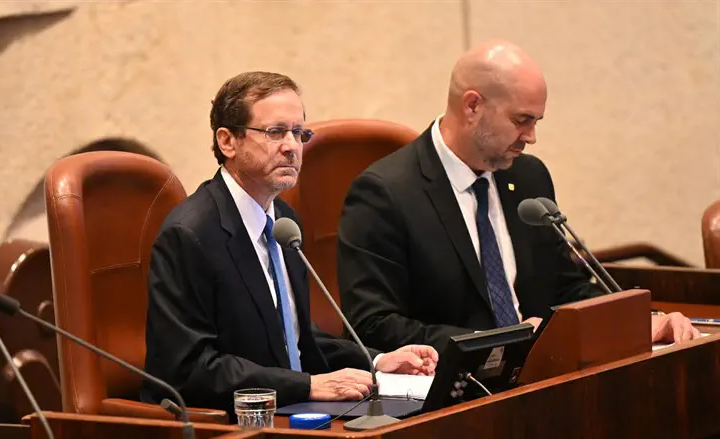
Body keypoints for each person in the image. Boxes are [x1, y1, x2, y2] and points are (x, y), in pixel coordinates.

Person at [337, 40, 701, 353]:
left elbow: (564, 285)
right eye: (521, 120)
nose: (530, 137)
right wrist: (502, 343)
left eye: (536, 122)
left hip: (543, 377)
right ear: (472, 106)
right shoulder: (386, 193)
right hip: (454, 394)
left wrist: (637, 321)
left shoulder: (528, 177)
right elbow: (373, 324)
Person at [141, 71, 438, 413]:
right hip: (229, 420)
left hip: (290, 408)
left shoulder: (282, 221)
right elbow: (189, 368)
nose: (292, 147)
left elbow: (294, 340)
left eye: (299, 133)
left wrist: (378, 361)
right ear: (227, 142)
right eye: (275, 132)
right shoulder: (190, 235)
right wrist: (308, 385)